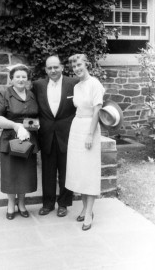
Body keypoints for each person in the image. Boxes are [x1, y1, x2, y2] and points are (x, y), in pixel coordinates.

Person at [0, 64, 39, 220]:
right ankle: (11, 204)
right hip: (10, 140)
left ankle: (22, 204)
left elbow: (36, 114)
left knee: (25, 173)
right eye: (17, 76)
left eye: (24, 77)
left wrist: (35, 124)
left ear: (27, 79)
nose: (21, 79)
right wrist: (15, 125)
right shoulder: (5, 94)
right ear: (11, 79)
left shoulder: (31, 94)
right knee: (11, 173)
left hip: (28, 140)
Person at [33, 55, 78, 217]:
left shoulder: (73, 83)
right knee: (48, 171)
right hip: (46, 134)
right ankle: (48, 204)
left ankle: (64, 204)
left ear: (62, 67)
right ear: (45, 69)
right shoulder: (38, 85)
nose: (53, 70)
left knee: (66, 171)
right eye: (49, 68)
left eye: (55, 67)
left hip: (67, 134)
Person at [65, 53, 105, 230]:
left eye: (79, 65)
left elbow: (97, 111)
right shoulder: (77, 86)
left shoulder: (95, 84)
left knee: (89, 170)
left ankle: (89, 212)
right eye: (74, 67)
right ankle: (83, 208)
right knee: (79, 170)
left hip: (90, 127)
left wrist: (90, 134)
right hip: (76, 128)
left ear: (86, 64)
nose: (77, 69)